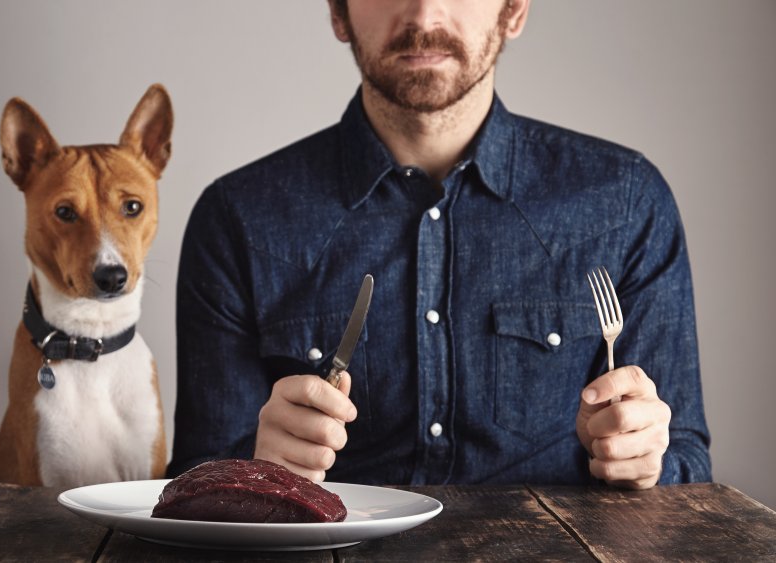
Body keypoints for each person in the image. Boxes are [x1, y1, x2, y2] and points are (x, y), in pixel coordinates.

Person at [168, 0, 711, 489]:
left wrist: (648, 461)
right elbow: (194, 481)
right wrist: (253, 469)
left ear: (514, 11)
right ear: (339, 13)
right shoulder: (239, 218)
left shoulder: (627, 201)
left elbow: (687, 465)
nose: (424, 17)